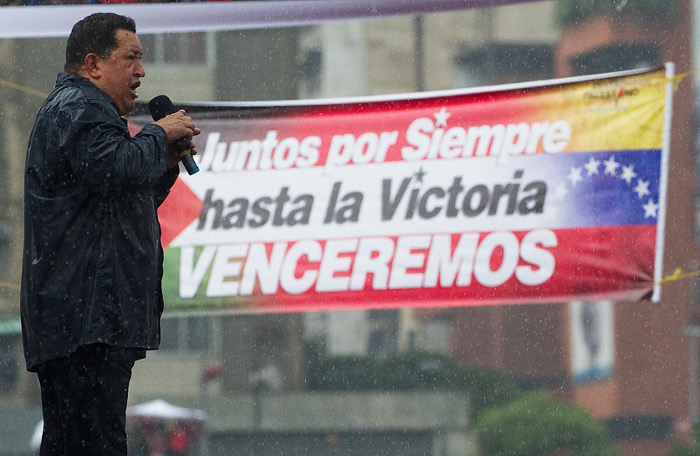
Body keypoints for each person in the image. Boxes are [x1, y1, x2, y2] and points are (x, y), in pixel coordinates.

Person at [20, 12, 199, 456]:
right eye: (131, 58)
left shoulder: (85, 111)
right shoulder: (80, 109)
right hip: (86, 317)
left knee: (74, 442)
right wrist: (158, 135)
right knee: (96, 441)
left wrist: (165, 162)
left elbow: (125, 199)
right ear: (93, 64)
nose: (141, 72)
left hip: (83, 317)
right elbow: (119, 168)